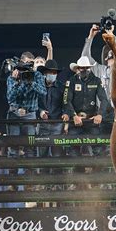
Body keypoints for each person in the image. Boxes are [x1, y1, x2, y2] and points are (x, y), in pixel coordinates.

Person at [62, 56, 109, 190]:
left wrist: (100, 114)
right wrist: (73, 115)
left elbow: (104, 100)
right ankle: (79, 181)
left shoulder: (97, 81)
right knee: (73, 151)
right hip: (76, 121)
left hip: (91, 119)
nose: (84, 70)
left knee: (98, 150)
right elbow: (66, 100)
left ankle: (96, 180)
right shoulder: (70, 82)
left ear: (89, 68)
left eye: (86, 68)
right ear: (78, 69)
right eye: (82, 68)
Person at [6, 52, 47, 158]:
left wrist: (31, 82)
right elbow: (10, 97)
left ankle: (31, 172)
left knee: (31, 146)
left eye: (30, 63)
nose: (28, 66)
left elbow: (43, 92)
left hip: (30, 114)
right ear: (20, 63)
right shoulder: (12, 76)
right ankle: (12, 173)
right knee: (13, 146)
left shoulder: (37, 75)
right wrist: (17, 82)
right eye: (26, 63)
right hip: (14, 114)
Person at [37, 59, 65, 191]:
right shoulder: (38, 86)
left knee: (57, 154)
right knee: (42, 154)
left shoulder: (61, 87)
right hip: (43, 124)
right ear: (45, 73)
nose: (52, 74)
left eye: (54, 73)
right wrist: (41, 111)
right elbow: (34, 103)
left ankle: (57, 184)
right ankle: (43, 183)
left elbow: (65, 103)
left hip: (56, 123)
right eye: (50, 72)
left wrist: (65, 115)